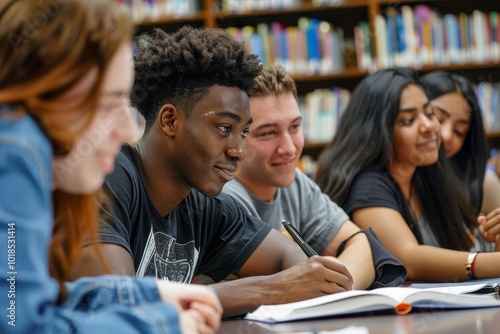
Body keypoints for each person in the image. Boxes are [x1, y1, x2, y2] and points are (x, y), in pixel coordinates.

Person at [70, 25, 363, 318]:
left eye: (244, 132)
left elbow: (291, 261)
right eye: (225, 128)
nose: (239, 150)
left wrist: (305, 279)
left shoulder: (206, 207)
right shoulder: (107, 180)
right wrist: (271, 290)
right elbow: (114, 305)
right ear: (170, 121)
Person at [0, 1, 221, 333]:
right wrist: (160, 323)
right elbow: (21, 324)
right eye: (108, 103)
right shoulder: (15, 153)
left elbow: (39, 299)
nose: (128, 132)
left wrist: (146, 293)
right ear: (51, 94)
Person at [222, 64, 406, 289]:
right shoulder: (224, 197)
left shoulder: (295, 183)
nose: (289, 148)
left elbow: (362, 244)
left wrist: (334, 292)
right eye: (268, 133)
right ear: (234, 138)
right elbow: (282, 288)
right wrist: (332, 288)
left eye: (295, 127)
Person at [315, 67, 500, 282]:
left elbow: (454, 256)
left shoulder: (429, 174)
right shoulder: (366, 184)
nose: (429, 126)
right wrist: (489, 263)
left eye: (429, 114)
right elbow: (408, 259)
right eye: (407, 121)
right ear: (378, 131)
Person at [420, 71, 500, 247]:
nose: (447, 136)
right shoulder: (398, 182)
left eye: (460, 131)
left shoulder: (484, 183)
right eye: (437, 118)